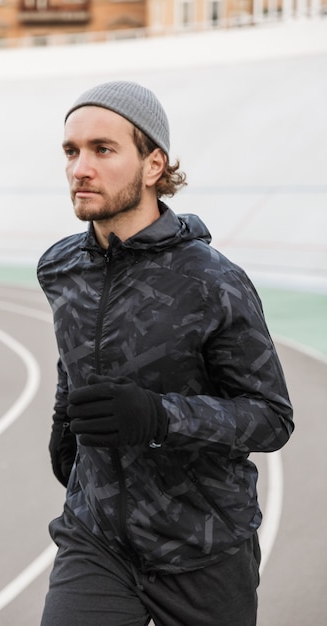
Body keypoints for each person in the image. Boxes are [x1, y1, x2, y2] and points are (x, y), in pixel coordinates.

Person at [37, 81, 294, 626]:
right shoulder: (60, 268)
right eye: (71, 150)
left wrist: (158, 416)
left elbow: (270, 418)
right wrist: (65, 435)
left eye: (102, 150)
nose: (80, 167)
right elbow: (72, 364)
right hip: (97, 537)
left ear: (154, 165)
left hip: (203, 546)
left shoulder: (213, 281)